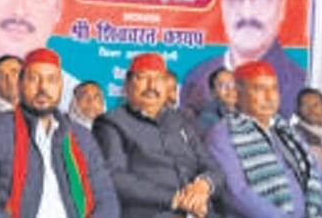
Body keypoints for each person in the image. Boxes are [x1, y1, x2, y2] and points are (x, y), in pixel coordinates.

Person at [0, 48, 120, 218]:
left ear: (61, 86)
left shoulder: (81, 137)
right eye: (33, 78)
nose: (43, 87)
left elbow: (106, 198)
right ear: (20, 84)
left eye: (52, 80)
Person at [180, 0, 306, 118]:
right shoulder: (197, 78)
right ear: (223, 5)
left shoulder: (299, 84)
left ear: (282, 6)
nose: (247, 12)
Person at [93, 53, 225, 218]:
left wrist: (203, 185)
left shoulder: (180, 121)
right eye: (143, 78)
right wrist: (175, 199)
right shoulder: (111, 123)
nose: (152, 86)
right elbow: (115, 177)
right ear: (127, 86)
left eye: (159, 79)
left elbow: (213, 168)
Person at [206, 61, 322, 218]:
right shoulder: (223, 134)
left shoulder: (287, 130)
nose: (270, 97)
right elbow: (237, 194)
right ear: (237, 94)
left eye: (274, 88)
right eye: (259, 89)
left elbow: (319, 177)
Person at [196, 67, 236, 133]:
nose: (230, 89)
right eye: (223, 85)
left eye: (233, 83)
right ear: (213, 93)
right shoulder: (208, 117)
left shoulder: (248, 107)